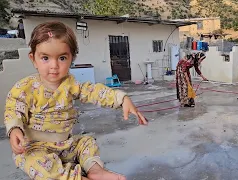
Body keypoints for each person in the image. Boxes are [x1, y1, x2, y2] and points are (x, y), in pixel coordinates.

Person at [4, 21, 148, 180]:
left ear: (71, 58)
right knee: (34, 163)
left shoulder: (70, 84)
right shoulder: (25, 87)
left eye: (62, 58)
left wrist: (122, 99)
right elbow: (13, 109)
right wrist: (15, 129)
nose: (54, 66)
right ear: (33, 59)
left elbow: (93, 91)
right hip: (36, 148)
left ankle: (95, 170)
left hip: (66, 145)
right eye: (45, 58)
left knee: (87, 142)